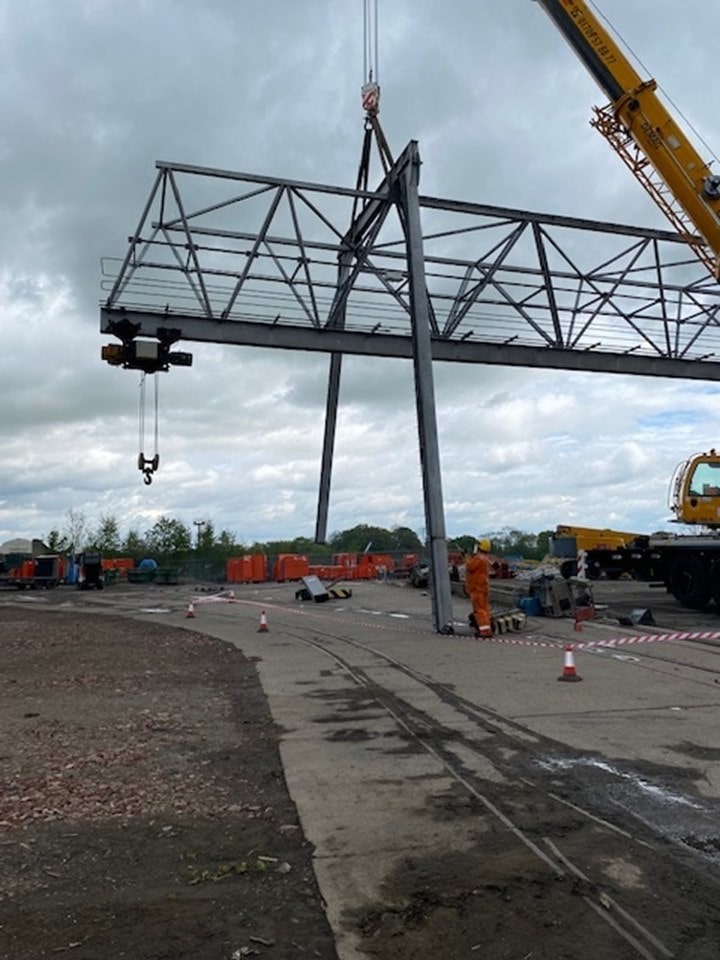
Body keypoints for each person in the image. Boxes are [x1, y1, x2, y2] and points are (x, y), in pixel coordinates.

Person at [465, 538, 492, 637]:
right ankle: (487, 628)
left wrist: (467, 557)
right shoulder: (485, 558)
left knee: (479, 610)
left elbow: (469, 567)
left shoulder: (478, 558)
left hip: (477, 588)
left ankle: (484, 631)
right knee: (484, 610)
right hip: (483, 587)